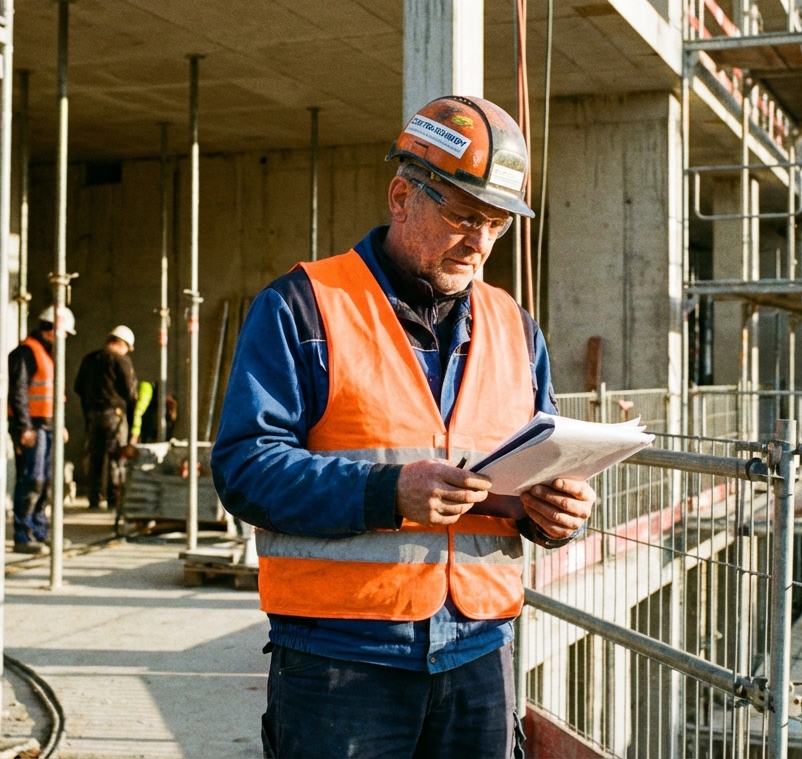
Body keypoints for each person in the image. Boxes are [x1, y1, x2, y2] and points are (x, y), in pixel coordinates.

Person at [211, 95, 597, 758]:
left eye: (497, 223)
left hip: (479, 656)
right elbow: (245, 469)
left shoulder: (515, 328)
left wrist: (553, 513)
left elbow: (535, 462)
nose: (479, 242)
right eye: (462, 214)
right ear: (400, 197)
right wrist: (389, 492)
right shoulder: (303, 309)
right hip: (341, 661)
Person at [8, 306, 75, 555]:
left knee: (46, 482)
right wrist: (24, 428)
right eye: (63, 332)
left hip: (46, 426)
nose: (66, 337)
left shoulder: (46, 354)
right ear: (51, 329)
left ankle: (39, 531)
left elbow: (53, 396)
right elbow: (19, 393)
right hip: (32, 427)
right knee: (32, 480)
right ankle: (22, 534)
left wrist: (59, 424)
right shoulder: (26, 353)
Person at [73, 325, 139, 509]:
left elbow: (78, 388)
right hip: (114, 416)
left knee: (95, 458)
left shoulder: (89, 359)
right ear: (122, 344)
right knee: (116, 458)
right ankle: (113, 499)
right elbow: (130, 392)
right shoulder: (121, 361)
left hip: (93, 415)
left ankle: (93, 499)